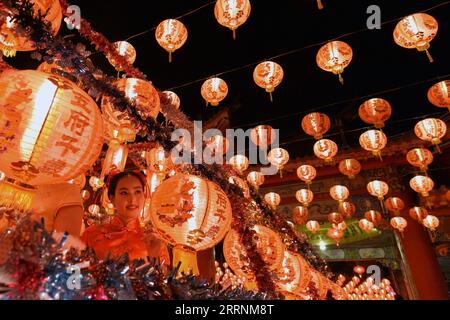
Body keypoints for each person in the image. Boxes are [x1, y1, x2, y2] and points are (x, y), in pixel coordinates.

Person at [81, 171, 170, 264]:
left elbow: (164, 277)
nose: (132, 199)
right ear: (112, 199)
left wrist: (154, 255)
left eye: (137, 191)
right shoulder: (92, 234)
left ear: (144, 196)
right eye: (124, 193)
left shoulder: (154, 240)